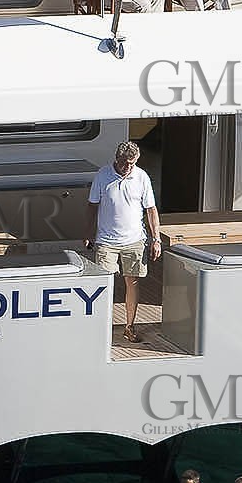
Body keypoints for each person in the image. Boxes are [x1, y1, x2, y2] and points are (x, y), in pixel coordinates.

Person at [86, 140, 161, 343]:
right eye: (124, 163)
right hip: (106, 240)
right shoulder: (102, 175)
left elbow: (151, 209)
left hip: (135, 240)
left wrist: (156, 239)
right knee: (105, 283)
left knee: (132, 281)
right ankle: (102, 326)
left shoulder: (141, 177)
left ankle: (129, 326)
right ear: (116, 158)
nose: (128, 167)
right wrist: (88, 233)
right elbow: (92, 206)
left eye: (132, 163)